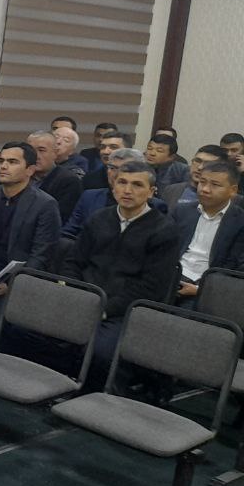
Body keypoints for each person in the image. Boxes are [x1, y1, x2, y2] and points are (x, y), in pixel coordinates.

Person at [63, 161, 180, 385]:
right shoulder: (99, 218)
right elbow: (73, 262)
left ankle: (91, 398)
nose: (127, 190)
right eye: (122, 182)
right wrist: (76, 296)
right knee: (34, 329)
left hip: (123, 311)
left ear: (151, 192)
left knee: (99, 352)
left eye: (137, 185)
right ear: (113, 186)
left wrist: (104, 309)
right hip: (84, 299)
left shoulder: (164, 231)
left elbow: (151, 288)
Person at [0, 141, 61, 297]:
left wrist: (12, 285)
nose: (3, 166)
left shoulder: (45, 205)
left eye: (12, 162)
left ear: (30, 170)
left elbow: (41, 255)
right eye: (1, 161)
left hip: (22, 282)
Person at [173, 161, 244, 305]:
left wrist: (199, 289)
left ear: (233, 190)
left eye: (215, 185)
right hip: (173, 275)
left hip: (207, 286)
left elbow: (235, 267)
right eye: (202, 182)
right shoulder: (182, 211)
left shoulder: (240, 222)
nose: (205, 189)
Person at [62, 148, 167, 239]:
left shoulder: (155, 206)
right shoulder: (89, 197)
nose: (117, 173)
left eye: (125, 168)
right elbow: (68, 233)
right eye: (112, 168)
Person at [27, 130, 82, 222]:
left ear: (55, 153)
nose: (35, 155)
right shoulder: (19, 177)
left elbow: (60, 218)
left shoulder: (68, 181)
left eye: (41, 150)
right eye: (31, 150)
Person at [162, 144, 229, 207]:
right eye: (197, 161)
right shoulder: (172, 190)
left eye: (208, 163)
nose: (200, 167)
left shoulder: (225, 196)